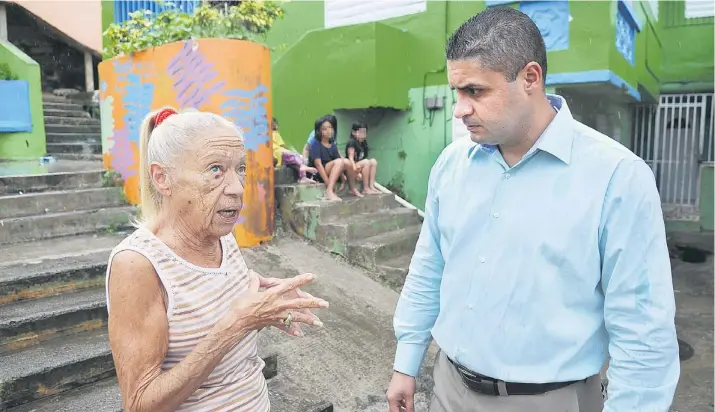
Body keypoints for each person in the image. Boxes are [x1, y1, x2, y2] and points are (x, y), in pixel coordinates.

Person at [387, 7, 679, 412]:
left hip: (551, 401)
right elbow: (429, 265)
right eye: (457, 91)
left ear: (530, 78)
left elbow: (643, 333)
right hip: (448, 389)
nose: (460, 108)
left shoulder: (617, 178)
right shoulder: (451, 165)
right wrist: (407, 362)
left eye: (475, 91)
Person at [105, 107, 330, 412]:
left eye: (240, 169)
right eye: (215, 170)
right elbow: (141, 404)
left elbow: (223, 322)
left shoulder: (222, 234)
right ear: (162, 178)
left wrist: (266, 307)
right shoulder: (137, 265)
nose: (237, 188)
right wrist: (238, 323)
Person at [271, 117, 317, 184]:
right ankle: (302, 167)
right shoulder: (275, 133)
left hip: (276, 155)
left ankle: (303, 177)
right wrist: (289, 151)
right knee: (296, 157)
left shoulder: (267, 135)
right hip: (279, 153)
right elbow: (282, 146)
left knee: (294, 163)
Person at [345, 123, 380, 195]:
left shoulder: (364, 143)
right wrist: (355, 171)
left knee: (373, 161)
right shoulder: (352, 142)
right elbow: (350, 158)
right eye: (361, 132)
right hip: (351, 167)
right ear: (354, 132)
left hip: (359, 166)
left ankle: (371, 186)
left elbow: (363, 158)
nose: (363, 134)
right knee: (366, 162)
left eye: (364, 132)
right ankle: (365, 189)